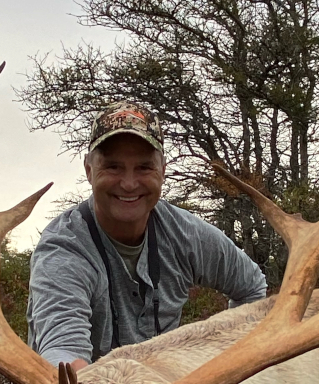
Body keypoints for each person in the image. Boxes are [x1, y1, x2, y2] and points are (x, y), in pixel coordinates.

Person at [27, 101, 268, 369]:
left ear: (163, 170)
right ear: (88, 170)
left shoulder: (184, 234)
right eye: (113, 167)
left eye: (144, 167)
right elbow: (62, 351)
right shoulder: (63, 250)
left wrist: (228, 366)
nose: (129, 184)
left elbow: (252, 287)